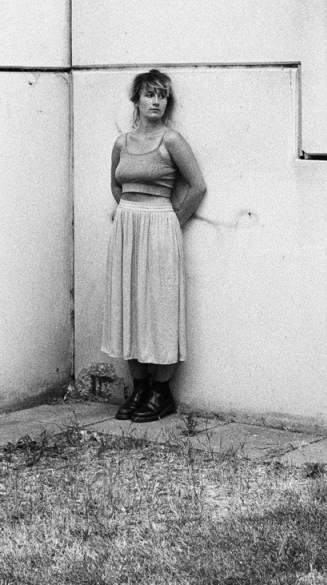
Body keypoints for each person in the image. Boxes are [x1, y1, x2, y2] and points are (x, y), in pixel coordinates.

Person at [102, 69, 206, 422]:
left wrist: (172, 221)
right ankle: (140, 389)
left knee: (159, 306)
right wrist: (129, 213)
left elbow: (197, 186)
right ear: (137, 100)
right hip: (127, 228)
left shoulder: (171, 140)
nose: (156, 101)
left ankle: (162, 393)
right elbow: (116, 185)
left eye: (162, 95)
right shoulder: (121, 143)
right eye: (150, 94)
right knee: (129, 304)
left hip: (160, 225)